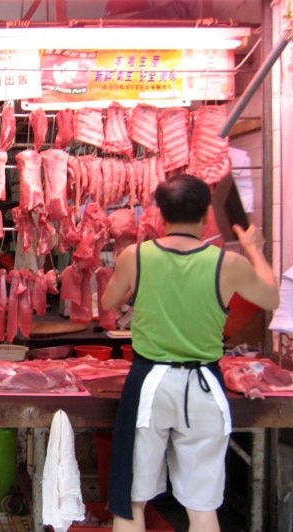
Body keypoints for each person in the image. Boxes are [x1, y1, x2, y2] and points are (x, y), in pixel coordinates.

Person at [101, 174, 279, 532]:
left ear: (161, 212)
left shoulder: (136, 256)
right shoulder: (228, 263)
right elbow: (272, 299)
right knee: (201, 507)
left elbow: (107, 303)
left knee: (131, 499)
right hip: (203, 387)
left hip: (150, 384)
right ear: (205, 214)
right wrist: (254, 249)